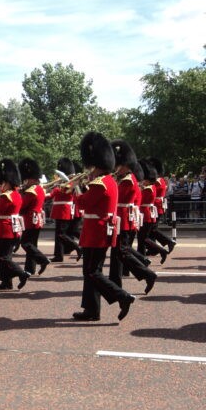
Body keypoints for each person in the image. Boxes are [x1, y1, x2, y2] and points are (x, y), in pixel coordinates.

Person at [73, 131, 135, 322]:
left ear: (97, 166)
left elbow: (83, 202)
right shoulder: (109, 181)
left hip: (96, 231)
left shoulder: (100, 183)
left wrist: (74, 188)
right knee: (91, 271)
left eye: (91, 167)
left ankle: (122, 296)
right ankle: (92, 309)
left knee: (93, 271)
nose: (89, 170)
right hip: (99, 230)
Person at [109, 140, 157, 294]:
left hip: (123, 219)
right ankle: (114, 282)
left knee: (121, 251)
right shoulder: (125, 179)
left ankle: (147, 274)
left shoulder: (128, 181)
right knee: (118, 252)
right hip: (121, 218)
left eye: (118, 165)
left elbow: (116, 197)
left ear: (125, 165)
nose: (116, 168)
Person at [0, 158, 30, 290]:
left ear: (8, 182)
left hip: (5, 227)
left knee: (2, 257)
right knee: (5, 256)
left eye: (3, 183)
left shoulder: (6, 196)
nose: (1, 185)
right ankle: (6, 282)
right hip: (12, 226)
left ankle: (21, 273)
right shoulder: (16, 194)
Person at [18, 157, 50, 279]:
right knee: (32, 245)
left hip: (30, 219)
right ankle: (30, 269)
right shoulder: (39, 189)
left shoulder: (31, 191)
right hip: (36, 218)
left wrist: (21, 193)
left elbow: (22, 205)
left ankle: (42, 260)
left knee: (25, 244)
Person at [48, 157, 82, 262]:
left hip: (64, 210)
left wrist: (56, 186)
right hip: (59, 210)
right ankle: (59, 255)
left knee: (61, 234)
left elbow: (62, 192)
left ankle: (76, 247)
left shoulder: (70, 183)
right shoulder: (63, 182)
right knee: (59, 234)